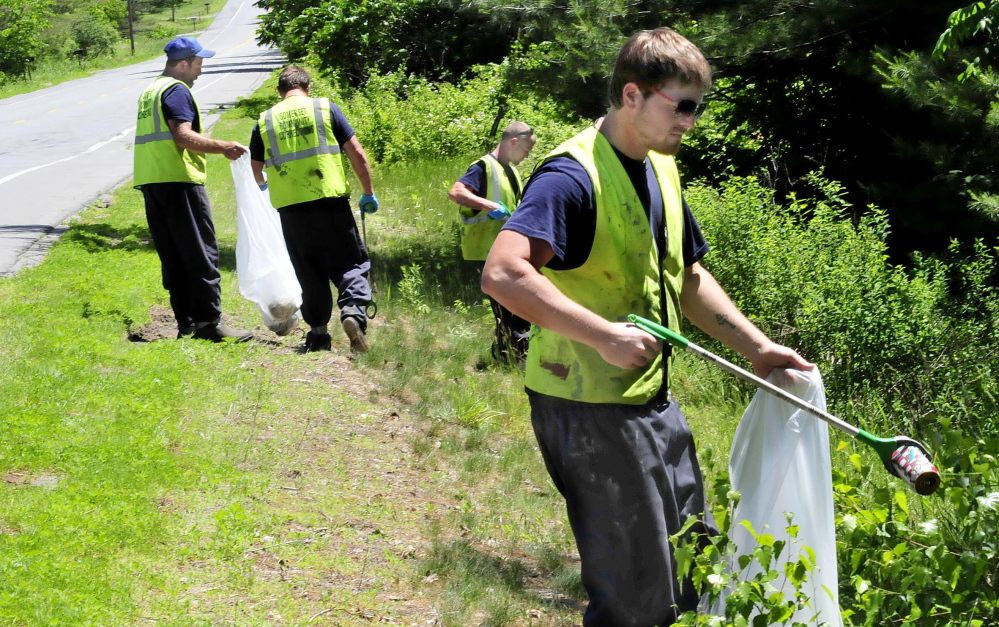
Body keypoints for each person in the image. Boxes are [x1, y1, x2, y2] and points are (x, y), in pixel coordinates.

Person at [481, 28, 814, 626]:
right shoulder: (570, 177)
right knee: (638, 593)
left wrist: (758, 347)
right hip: (585, 407)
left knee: (693, 557)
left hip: (648, 399)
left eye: (698, 107)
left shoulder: (661, 168)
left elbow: (685, 277)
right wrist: (602, 336)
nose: (691, 120)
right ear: (632, 95)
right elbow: (503, 274)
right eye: (680, 105)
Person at [250, 65, 377, 354]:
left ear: (280, 92)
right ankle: (353, 313)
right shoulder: (324, 109)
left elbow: (256, 170)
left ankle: (318, 335)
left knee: (308, 271)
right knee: (350, 263)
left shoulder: (265, 121)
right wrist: (368, 192)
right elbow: (356, 152)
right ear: (307, 87)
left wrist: (267, 186)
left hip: (291, 211)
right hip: (330, 203)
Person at [134, 36, 252, 343]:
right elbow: (183, 136)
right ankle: (209, 323)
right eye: (198, 63)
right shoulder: (176, 90)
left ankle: (186, 321)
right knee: (201, 253)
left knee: (173, 255)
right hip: (180, 180)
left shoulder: (151, 90)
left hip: (153, 181)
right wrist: (222, 146)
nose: (200, 71)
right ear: (183, 64)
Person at [448, 122, 536, 363]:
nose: (527, 156)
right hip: (486, 249)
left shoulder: (512, 171)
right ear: (514, 142)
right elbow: (456, 193)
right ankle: (516, 356)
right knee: (512, 304)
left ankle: (505, 354)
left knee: (512, 305)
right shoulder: (483, 167)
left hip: (506, 249)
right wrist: (489, 206)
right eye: (526, 150)